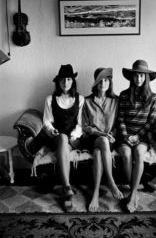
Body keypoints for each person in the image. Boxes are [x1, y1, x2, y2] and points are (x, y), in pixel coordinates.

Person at [40, 64, 84, 209]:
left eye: (69, 80)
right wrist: (51, 130)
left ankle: (66, 189)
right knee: (62, 139)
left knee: (66, 139)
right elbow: (47, 120)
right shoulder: (50, 99)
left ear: (73, 81)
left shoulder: (80, 99)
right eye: (63, 80)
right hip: (56, 137)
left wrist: (74, 135)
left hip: (74, 139)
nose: (66, 83)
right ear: (58, 82)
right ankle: (67, 186)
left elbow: (80, 123)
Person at [117, 60, 156, 213]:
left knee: (139, 154)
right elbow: (120, 118)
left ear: (146, 77)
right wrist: (127, 136)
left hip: (142, 136)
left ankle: (133, 194)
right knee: (127, 155)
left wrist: (138, 136)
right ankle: (134, 190)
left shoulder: (153, 97)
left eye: (141, 76)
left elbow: (151, 122)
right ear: (131, 77)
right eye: (136, 76)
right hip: (125, 135)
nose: (138, 79)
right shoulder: (124, 95)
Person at [82, 67, 124, 212]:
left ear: (110, 82)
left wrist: (112, 134)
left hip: (110, 141)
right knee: (102, 141)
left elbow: (120, 123)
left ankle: (95, 194)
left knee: (99, 153)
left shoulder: (116, 101)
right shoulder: (86, 101)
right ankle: (111, 182)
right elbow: (85, 126)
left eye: (106, 80)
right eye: (100, 80)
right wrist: (101, 134)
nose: (103, 83)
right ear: (95, 82)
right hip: (91, 139)